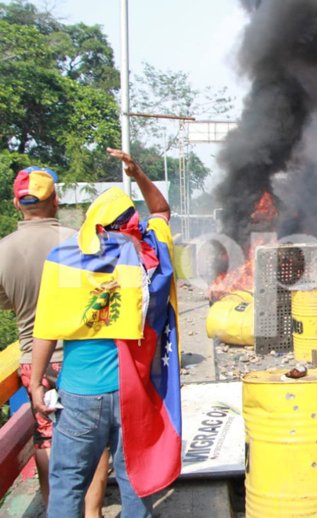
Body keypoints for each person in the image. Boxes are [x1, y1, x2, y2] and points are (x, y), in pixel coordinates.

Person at [30, 148, 182, 518]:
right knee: (134, 479)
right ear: (130, 222)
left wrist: (36, 383)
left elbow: (46, 329)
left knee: (68, 481)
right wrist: (137, 173)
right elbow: (161, 210)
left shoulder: (63, 260)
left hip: (81, 390)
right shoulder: (151, 253)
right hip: (134, 389)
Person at [0, 166, 108, 516]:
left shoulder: (3, 250)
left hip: (35, 361)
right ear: (56, 200)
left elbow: (5, 301)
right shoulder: (79, 242)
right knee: (94, 437)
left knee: (46, 436)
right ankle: (92, 512)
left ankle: (56, 508)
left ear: (17, 204)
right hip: (81, 357)